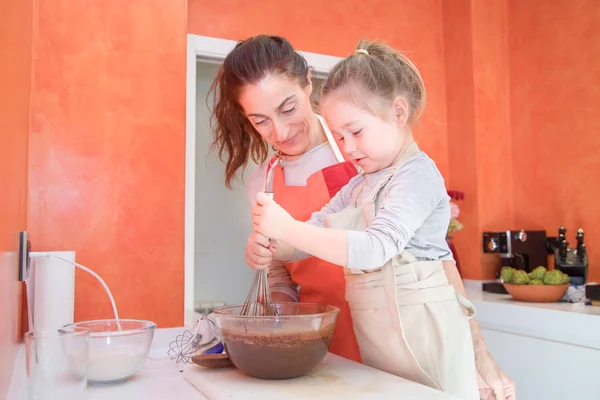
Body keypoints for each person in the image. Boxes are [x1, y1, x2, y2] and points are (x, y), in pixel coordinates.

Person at [250, 40, 515, 400]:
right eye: (340, 136)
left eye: (355, 131)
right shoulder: (359, 185)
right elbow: (305, 237)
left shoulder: (416, 175)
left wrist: (287, 227)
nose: (348, 147)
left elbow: (377, 247)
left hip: (428, 338)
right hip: (378, 345)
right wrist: (269, 244)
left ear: (398, 112)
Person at [209, 35, 362, 363]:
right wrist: (275, 311)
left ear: (308, 83)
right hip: (318, 343)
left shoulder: (360, 150)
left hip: (385, 334)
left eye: (287, 108)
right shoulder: (261, 183)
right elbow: (283, 277)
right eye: (260, 120)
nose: (279, 132)